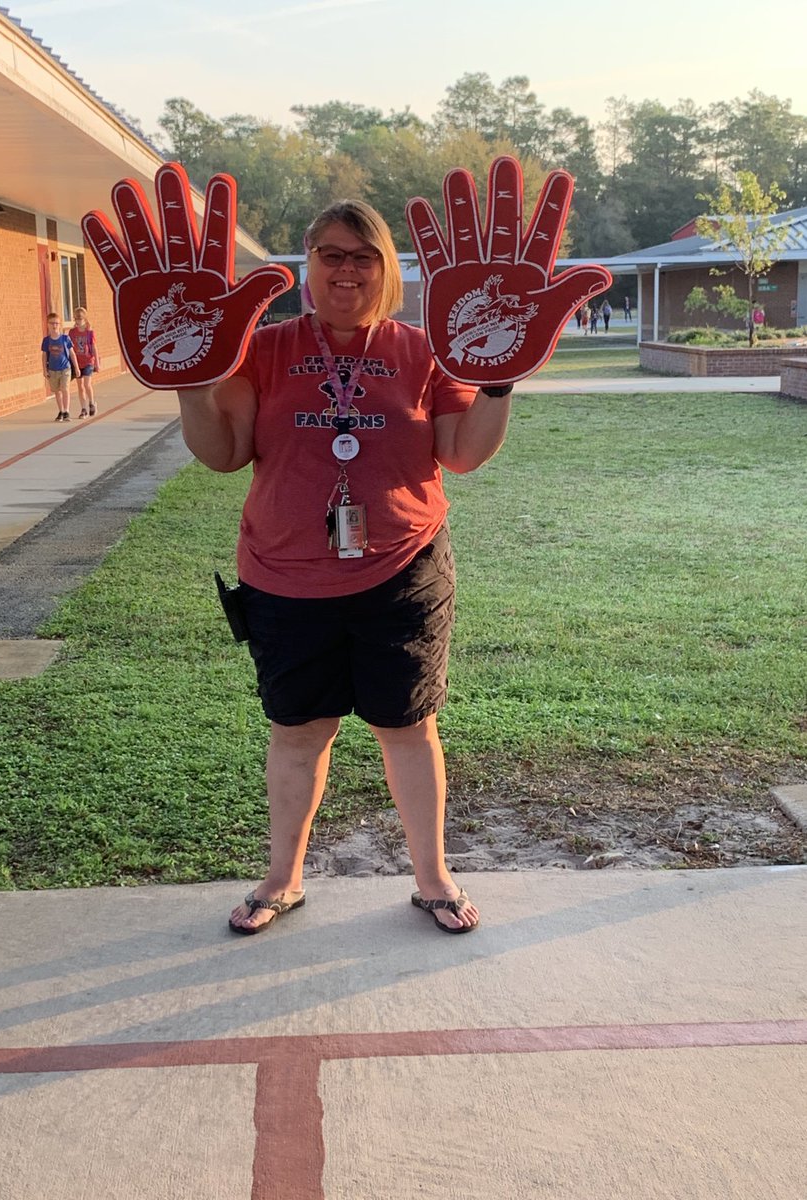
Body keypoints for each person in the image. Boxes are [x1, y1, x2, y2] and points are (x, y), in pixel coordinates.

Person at [82, 157, 610, 937]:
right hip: (285, 577)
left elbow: (462, 451)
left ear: (386, 270)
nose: (347, 269)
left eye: (364, 255)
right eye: (331, 253)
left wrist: (499, 380)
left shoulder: (426, 349)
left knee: (409, 729)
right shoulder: (259, 348)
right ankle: (283, 878)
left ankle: (431, 879)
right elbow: (223, 451)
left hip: (402, 572)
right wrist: (193, 377)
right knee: (298, 733)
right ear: (307, 266)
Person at [41, 313, 79, 421]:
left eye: (57, 323)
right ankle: (61, 410)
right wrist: (44, 369)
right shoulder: (46, 341)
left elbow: (72, 353)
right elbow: (44, 356)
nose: (54, 326)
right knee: (57, 391)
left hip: (65, 368)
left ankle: (66, 411)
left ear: (60, 325)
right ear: (47, 324)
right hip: (53, 369)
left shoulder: (65, 339)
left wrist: (76, 367)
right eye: (52, 323)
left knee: (65, 389)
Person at [69, 306, 100, 417]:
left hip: (88, 361)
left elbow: (94, 347)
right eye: (76, 319)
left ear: (85, 319)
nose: (78, 321)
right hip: (77, 362)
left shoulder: (89, 333)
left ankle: (91, 403)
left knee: (87, 384)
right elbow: (70, 347)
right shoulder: (72, 332)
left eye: (80, 319)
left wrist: (97, 362)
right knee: (80, 386)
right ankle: (83, 409)